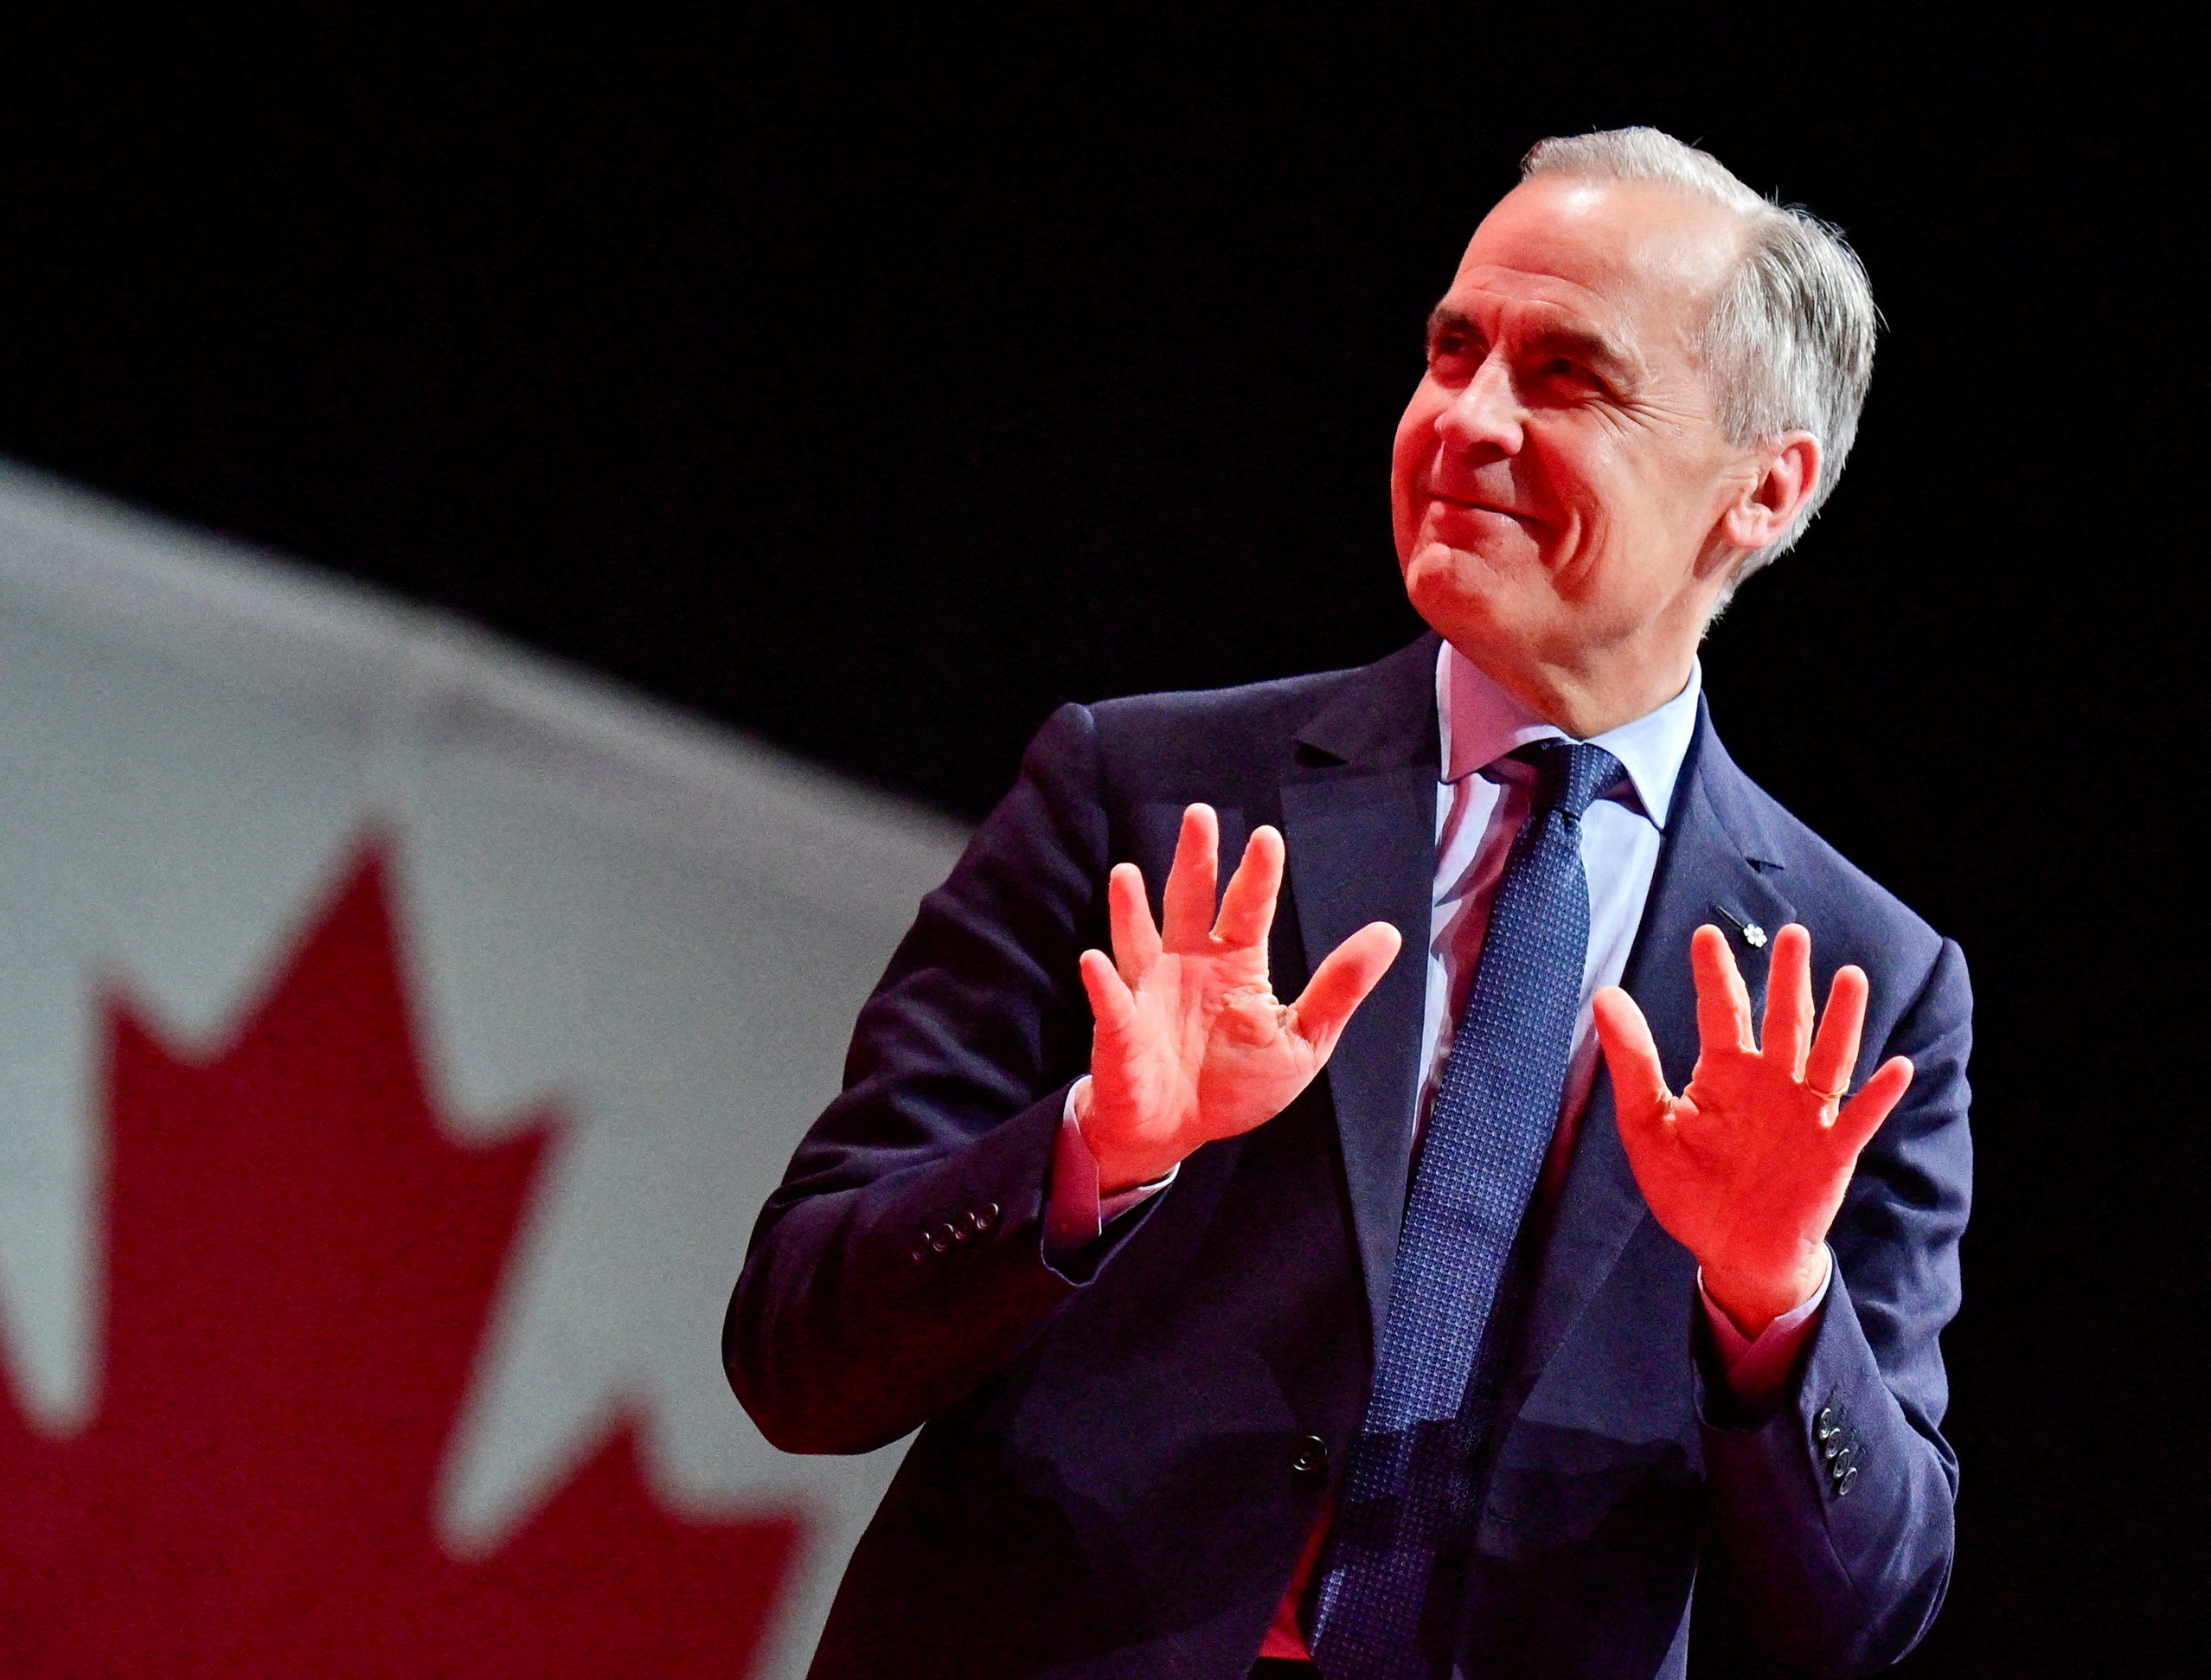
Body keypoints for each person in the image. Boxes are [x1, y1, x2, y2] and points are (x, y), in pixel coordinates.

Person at [725, 127, 1969, 1680]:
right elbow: (796, 1353)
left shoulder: (1857, 985)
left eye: (1567, 375)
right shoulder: (1146, 790)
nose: (1467, 421)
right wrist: (1094, 1157)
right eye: (1454, 350)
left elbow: (1867, 1610)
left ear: (1763, 491)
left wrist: (1778, 1298)